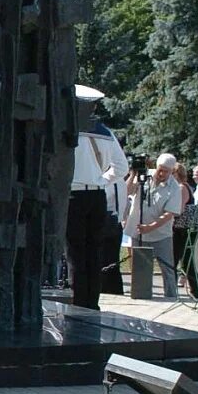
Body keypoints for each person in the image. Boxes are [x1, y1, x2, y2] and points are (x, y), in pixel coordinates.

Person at [65, 85, 130, 307]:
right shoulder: (104, 132)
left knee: (75, 252)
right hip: (97, 196)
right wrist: (101, 180)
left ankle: (78, 301)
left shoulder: (66, 129)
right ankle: (92, 301)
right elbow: (121, 167)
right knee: (94, 251)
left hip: (73, 196)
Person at [127, 153, 183, 299]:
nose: (162, 173)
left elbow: (169, 214)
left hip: (161, 235)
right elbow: (127, 191)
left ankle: (171, 296)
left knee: (167, 268)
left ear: (172, 171)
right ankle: (139, 294)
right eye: (160, 169)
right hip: (138, 232)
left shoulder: (174, 188)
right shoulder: (144, 177)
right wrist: (133, 174)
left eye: (166, 171)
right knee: (139, 267)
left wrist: (150, 227)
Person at [171, 163, 198, 300]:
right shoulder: (185, 186)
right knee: (184, 259)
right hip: (184, 228)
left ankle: (193, 290)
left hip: (183, 228)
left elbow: (180, 209)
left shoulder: (182, 187)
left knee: (181, 259)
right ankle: (194, 290)